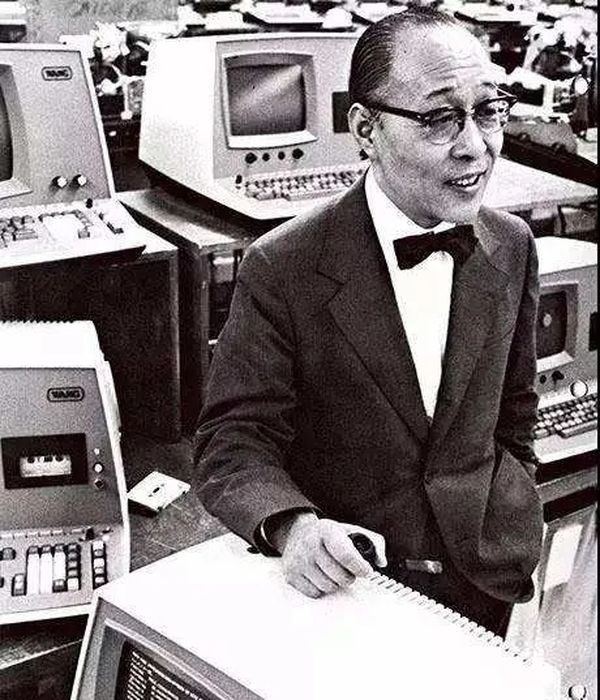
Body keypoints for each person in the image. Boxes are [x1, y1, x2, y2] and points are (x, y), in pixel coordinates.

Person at [194, 8, 543, 635]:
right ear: (365, 129)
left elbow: (514, 413)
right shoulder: (282, 265)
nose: (475, 145)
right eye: (438, 118)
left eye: (488, 111)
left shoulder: (512, 243)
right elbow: (233, 441)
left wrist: (516, 509)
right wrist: (295, 529)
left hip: (487, 578)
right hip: (352, 590)